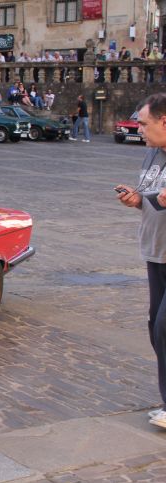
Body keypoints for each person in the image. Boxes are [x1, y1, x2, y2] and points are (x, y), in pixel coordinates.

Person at [116, 93, 166, 429]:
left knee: (165, 327)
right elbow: (152, 195)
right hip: (155, 251)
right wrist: (136, 200)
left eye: (146, 124)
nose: (141, 130)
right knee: (156, 329)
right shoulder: (151, 154)